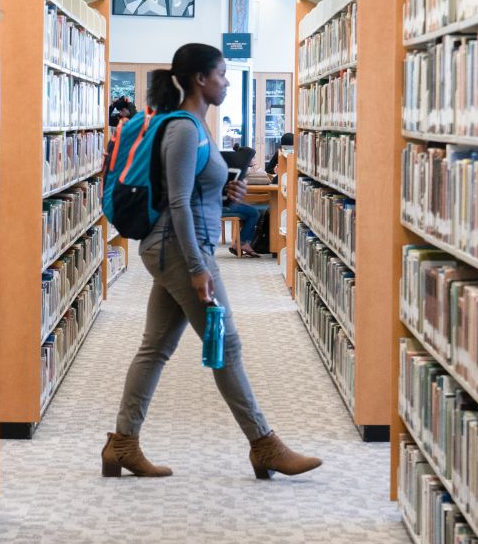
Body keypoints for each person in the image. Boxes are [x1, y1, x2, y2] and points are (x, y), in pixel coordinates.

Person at [102, 43, 322, 480]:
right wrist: (199, 268)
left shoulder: (197, 127)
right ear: (201, 79)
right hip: (182, 249)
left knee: (156, 346)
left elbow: (189, 192)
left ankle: (122, 444)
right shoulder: (184, 129)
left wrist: (224, 193)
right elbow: (179, 204)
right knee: (228, 345)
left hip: (179, 245)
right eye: (221, 74)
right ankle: (264, 445)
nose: (225, 81)